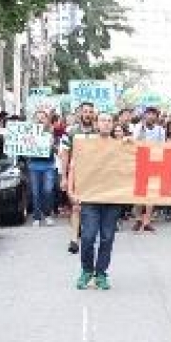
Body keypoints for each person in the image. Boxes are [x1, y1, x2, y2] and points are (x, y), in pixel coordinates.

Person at [72, 112, 123, 290]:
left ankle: (101, 273)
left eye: (109, 121)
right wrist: (73, 190)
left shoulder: (120, 146)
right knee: (88, 236)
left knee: (107, 238)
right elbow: (75, 166)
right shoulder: (86, 145)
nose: (106, 123)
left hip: (112, 199)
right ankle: (86, 271)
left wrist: (131, 145)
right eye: (103, 120)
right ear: (97, 124)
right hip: (90, 199)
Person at [60, 102, 97, 253]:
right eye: (85, 111)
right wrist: (64, 177)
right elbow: (64, 154)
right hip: (76, 174)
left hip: (94, 175)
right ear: (80, 114)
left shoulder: (98, 131)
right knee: (76, 206)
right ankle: (74, 239)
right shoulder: (70, 131)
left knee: (91, 207)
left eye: (90, 112)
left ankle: (88, 234)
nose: (87, 114)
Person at [132, 107, 166, 232]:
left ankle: (147, 220)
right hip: (139, 162)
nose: (151, 116)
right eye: (148, 114)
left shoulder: (160, 130)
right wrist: (141, 127)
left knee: (151, 193)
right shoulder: (137, 127)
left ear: (156, 117)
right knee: (138, 193)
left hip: (154, 163)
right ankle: (138, 219)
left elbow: (163, 146)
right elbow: (135, 141)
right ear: (144, 115)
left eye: (153, 114)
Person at [29, 109, 58, 227]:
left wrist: (52, 145)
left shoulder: (51, 132)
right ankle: (36, 217)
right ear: (34, 119)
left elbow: (57, 150)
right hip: (34, 165)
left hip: (48, 165)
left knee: (48, 191)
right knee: (36, 193)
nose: (40, 119)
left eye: (43, 117)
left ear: (47, 120)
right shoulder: (28, 133)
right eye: (38, 117)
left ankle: (47, 215)